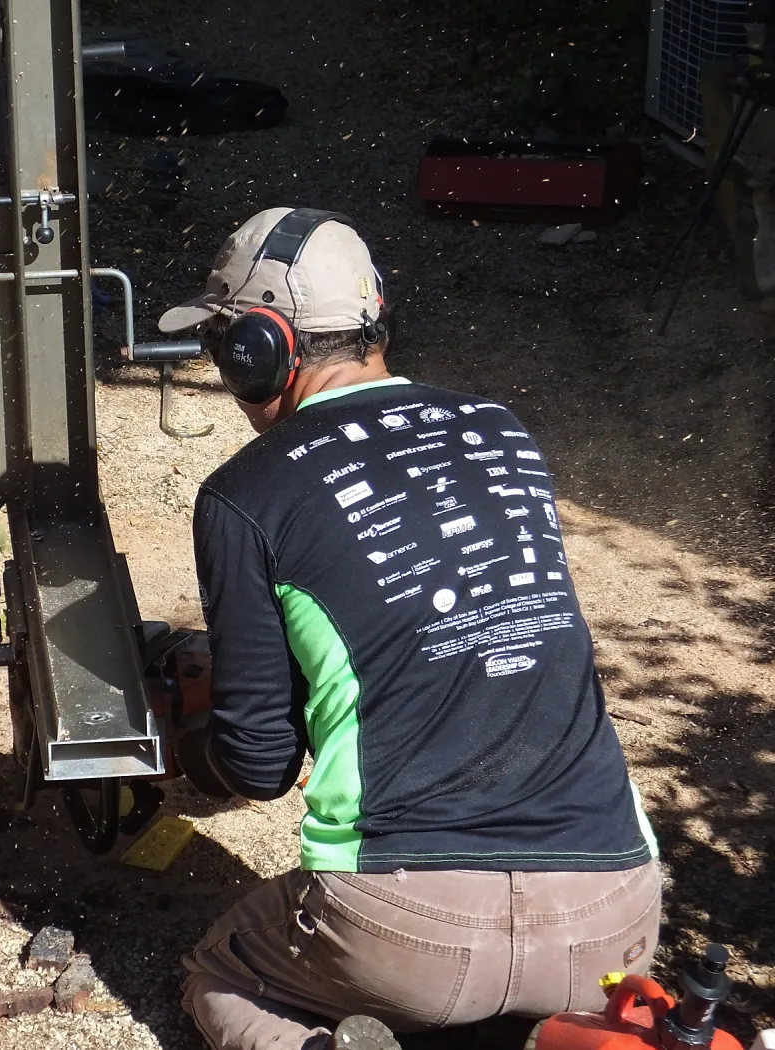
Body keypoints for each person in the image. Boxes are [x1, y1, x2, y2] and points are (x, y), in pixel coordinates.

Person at [157, 207, 661, 1050]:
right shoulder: (504, 431)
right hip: (610, 916)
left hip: (410, 932)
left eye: (221, 343)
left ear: (258, 350)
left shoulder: (246, 492)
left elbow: (258, 766)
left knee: (222, 973)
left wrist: (185, 736)